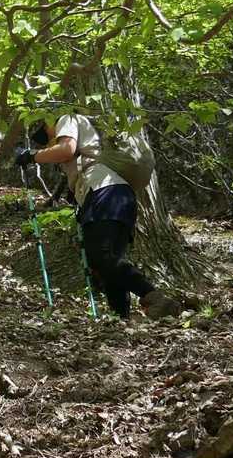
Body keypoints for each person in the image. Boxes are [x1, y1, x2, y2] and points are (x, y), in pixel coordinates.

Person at [17, 113, 179, 320]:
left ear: (50, 120)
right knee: (106, 263)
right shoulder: (88, 141)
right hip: (118, 194)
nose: (49, 139)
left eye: (45, 131)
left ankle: (153, 297)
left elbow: (66, 150)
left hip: (104, 191)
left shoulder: (66, 118)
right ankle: (121, 318)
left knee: (100, 257)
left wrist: (32, 155)